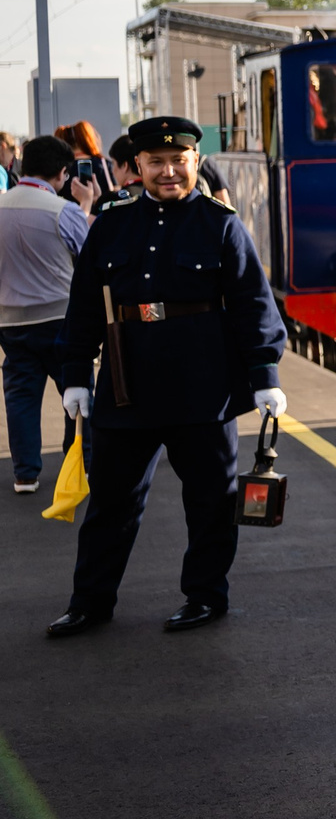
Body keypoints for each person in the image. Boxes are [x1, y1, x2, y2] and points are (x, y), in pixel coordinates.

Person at [44, 117, 288, 638]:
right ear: (138, 167)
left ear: (195, 163)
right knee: (111, 503)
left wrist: (265, 372)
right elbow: (84, 306)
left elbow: (251, 302)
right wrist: (75, 377)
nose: (169, 172)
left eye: (179, 162)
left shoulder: (221, 224)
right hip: (127, 385)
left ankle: (204, 596)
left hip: (204, 387)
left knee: (210, 501)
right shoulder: (111, 223)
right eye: (156, 162)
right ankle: (90, 602)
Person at [0, 136, 101, 493]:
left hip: (10, 321)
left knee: (20, 397)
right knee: (77, 391)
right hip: (61, 318)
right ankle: (82, 464)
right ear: (62, 173)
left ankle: (25, 474)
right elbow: (90, 258)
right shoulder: (62, 210)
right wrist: (86, 206)